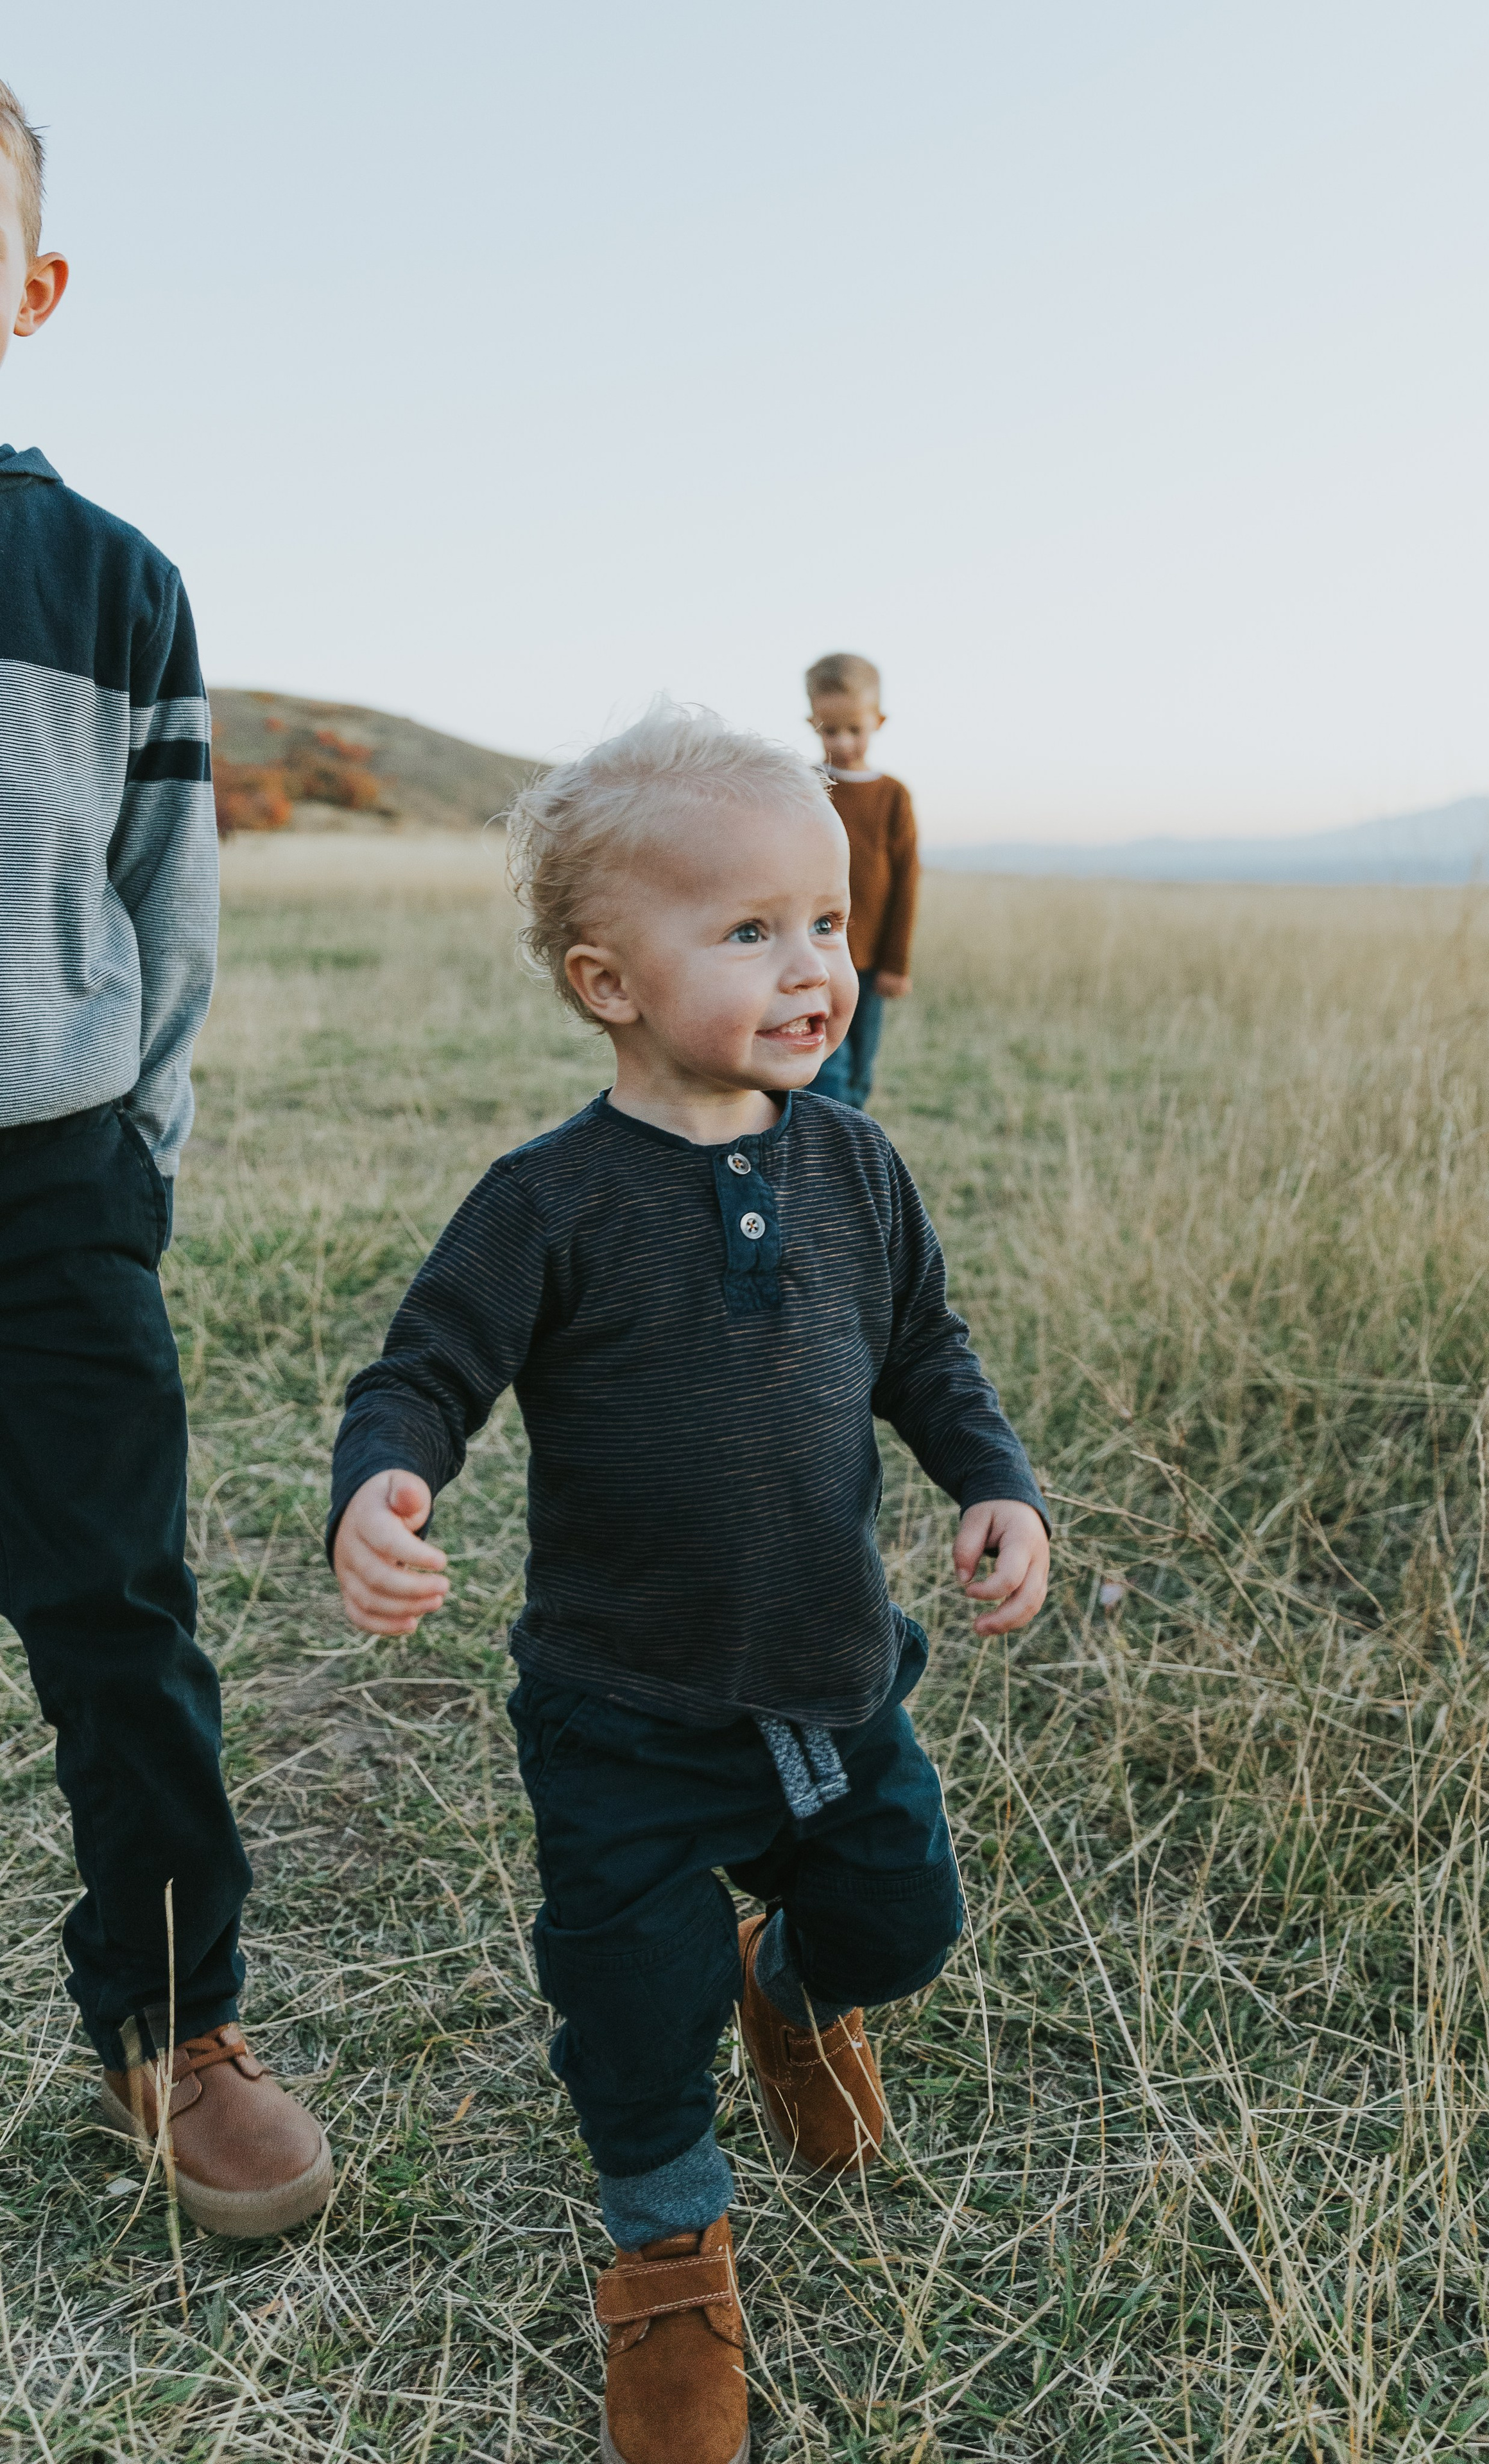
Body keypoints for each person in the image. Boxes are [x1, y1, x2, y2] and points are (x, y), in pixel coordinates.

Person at [327, 701, 1049, 2464]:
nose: (816, 967)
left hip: (831, 1683)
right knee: (632, 2014)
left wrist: (994, 1481)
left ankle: (792, 1986)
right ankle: (666, 2254)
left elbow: (930, 1355)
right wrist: (386, 1479)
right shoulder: (550, 1203)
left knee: (907, 1925)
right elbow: (420, 1371)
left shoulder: (861, 1170)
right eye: (749, 932)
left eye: (825, 923)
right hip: (623, 1718)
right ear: (606, 983)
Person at [0, 80, 331, 2237]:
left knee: (123, 1612)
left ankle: (174, 2020)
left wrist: (139, 1151)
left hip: (50, 1191)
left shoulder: (112, 581)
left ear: (28, 288)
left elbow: (166, 901)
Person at [805, 651, 918, 1110]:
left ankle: (853, 1144)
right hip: (812, 952)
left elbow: (906, 883)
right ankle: (823, 1142)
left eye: (855, 729)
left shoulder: (892, 795)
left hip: (871, 962)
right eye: (830, 730)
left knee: (859, 1066)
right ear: (812, 720)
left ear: (879, 721)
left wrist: (897, 963)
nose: (843, 741)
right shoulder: (803, 784)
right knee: (822, 1061)